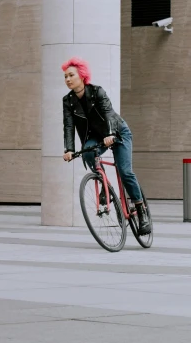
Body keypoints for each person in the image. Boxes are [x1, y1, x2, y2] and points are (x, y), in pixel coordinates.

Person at [61, 57, 151, 234]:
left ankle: (141, 211)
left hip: (118, 132)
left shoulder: (97, 91)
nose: (68, 79)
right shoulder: (68, 100)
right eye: (65, 76)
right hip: (96, 136)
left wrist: (110, 133)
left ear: (82, 75)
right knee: (88, 153)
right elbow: (68, 125)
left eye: (71, 75)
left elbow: (109, 113)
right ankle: (105, 186)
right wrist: (69, 149)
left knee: (125, 171)